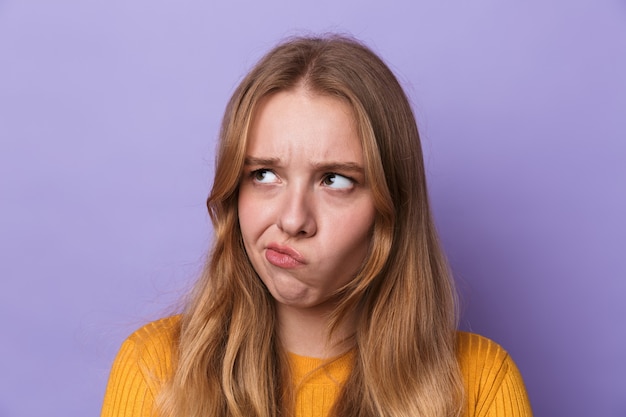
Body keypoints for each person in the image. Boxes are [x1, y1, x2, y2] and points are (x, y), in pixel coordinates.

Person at [100, 34, 532, 417]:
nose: (292, 219)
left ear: (390, 208)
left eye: (335, 180)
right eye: (264, 174)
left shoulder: (480, 384)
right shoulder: (156, 369)